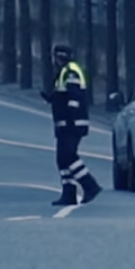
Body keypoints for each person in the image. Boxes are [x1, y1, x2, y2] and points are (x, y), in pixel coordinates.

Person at [43, 44, 102, 206]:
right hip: (66, 123)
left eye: (55, 57)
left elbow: (74, 97)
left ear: (59, 57)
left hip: (72, 124)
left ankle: (90, 185)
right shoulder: (66, 71)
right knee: (62, 159)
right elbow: (65, 95)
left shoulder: (71, 72)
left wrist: (69, 119)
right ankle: (69, 193)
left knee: (68, 156)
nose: (53, 60)